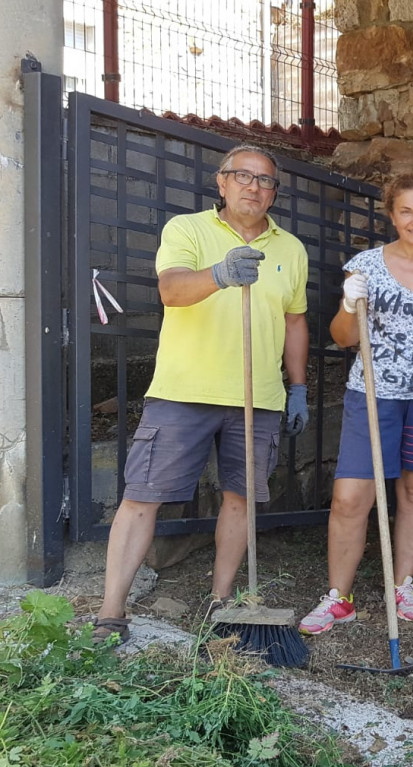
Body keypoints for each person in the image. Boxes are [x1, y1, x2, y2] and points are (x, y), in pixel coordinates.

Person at [93, 144, 310, 643]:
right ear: (222, 182)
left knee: (241, 499)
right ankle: (110, 612)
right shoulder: (186, 230)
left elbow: (295, 321)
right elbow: (171, 290)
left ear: (274, 192)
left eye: (266, 181)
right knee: (142, 496)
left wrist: (297, 388)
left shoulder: (290, 249)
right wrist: (219, 274)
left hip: (258, 397)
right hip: (183, 391)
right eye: (244, 177)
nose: (255, 187)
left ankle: (221, 603)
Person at [299, 174, 413, 635]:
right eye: (406, 211)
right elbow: (341, 338)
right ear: (392, 215)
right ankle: (339, 598)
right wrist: (346, 303)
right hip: (373, 392)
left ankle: (403, 586)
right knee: (350, 496)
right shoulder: (366, 266)